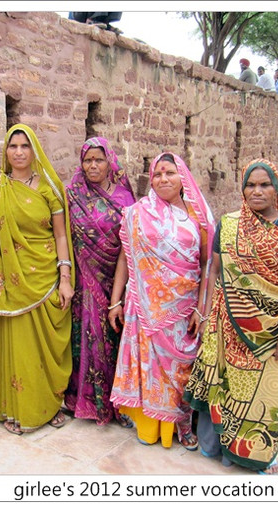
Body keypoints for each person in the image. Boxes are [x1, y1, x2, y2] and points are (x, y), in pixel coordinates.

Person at [184, 159, 278, 474]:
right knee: (223, 384)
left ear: (277, 188)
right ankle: (216, 447)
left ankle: (257, 454)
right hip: (226, 324)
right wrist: (208, 315)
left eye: (264, 185)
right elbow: (215, 271)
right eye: (250, 185)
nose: (257, 191)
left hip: (272, 327)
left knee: (265, 391)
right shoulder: (229, 224)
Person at [109, 152, 215, 450]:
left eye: (170, 173)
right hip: (145, 307)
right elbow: (126, 258)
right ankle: (150, 426)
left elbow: (207, 265)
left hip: (184, 307)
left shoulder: (199, 216)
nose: (163, 179)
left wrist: (202, 310)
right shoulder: (138, 213)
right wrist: (115, 302)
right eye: (157, 174)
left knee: (182, 368)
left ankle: (182, 423)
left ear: (183, 178)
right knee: (151, 369)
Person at [0, 124, 75, 435]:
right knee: (19, 348)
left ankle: (50, 404)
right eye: (13, 146)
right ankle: (17, 408)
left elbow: (60, 235)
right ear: (5, 151)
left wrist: (65, 278)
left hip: (46, 277)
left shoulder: (49, 189)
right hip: (11, 282)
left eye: (25, 146)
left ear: (34, 150)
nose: (19, 152)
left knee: (47, 348)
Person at [64, 137, 136, 427]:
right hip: (83, 282)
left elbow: (129, 246)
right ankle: (81, 399)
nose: (93, 165)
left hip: (115, 281)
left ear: (110, 162)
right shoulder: (72, 194)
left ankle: (115, 402)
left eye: (99, 160)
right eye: (87, 160)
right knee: (84, 338)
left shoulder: (125, 198)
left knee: (112, 338)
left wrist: (118, 295)